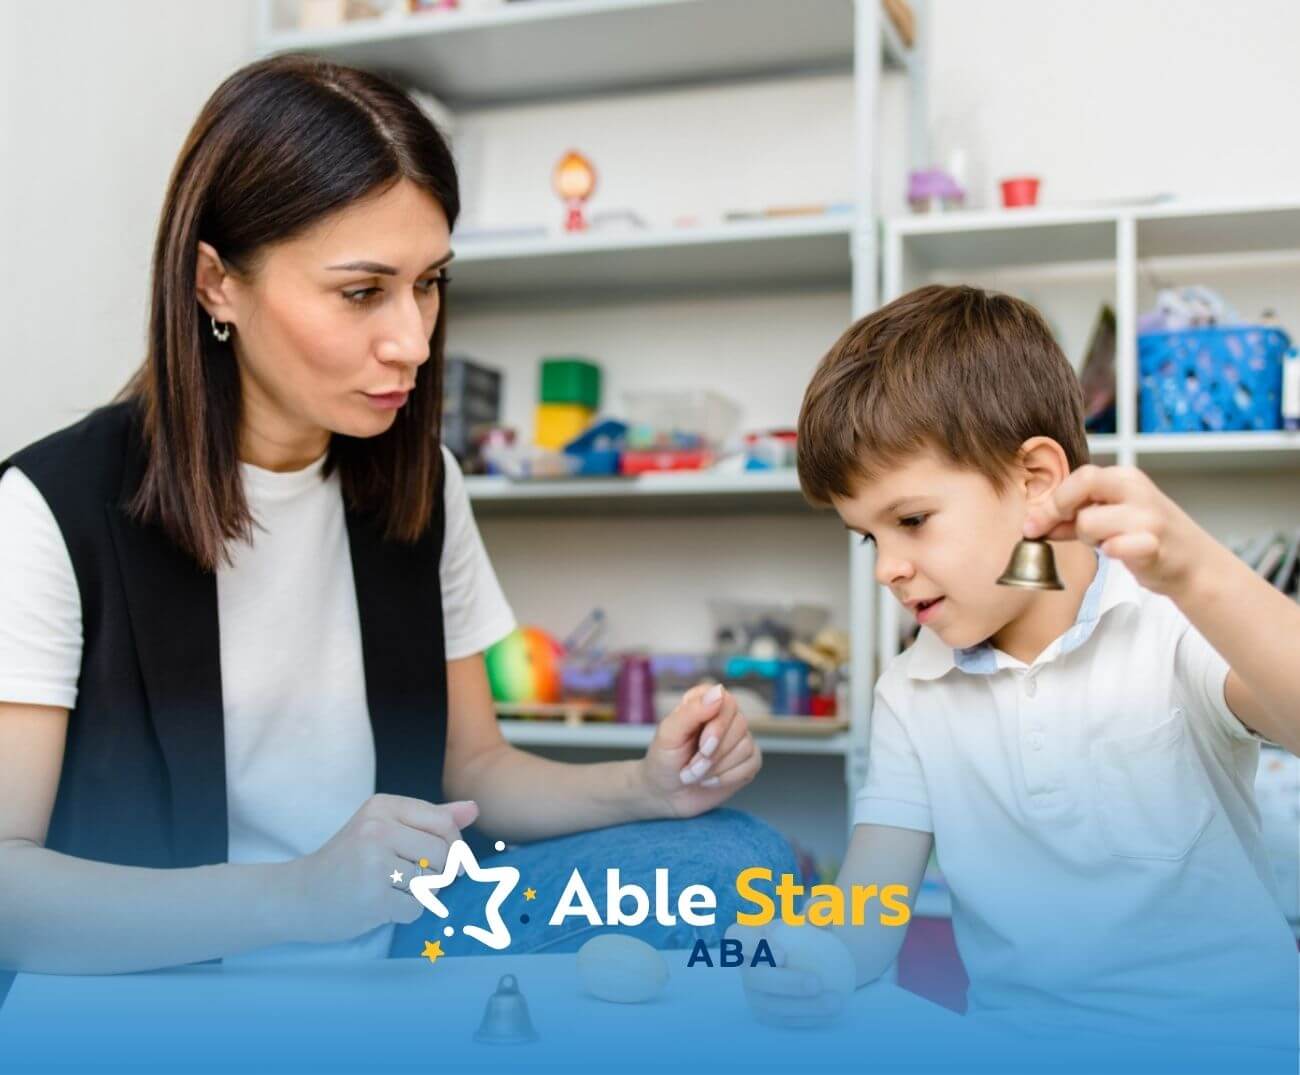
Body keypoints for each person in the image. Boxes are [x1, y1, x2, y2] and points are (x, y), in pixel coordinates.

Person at [0, 55, 793, 988]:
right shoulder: (48, 508)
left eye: (429, 282)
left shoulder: (421, 480)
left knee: (737, 860)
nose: (414, 342)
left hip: (413, 931)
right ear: (216, 282)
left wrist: (645, 786)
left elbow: (475, 769)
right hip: (180, 962)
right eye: (362, 291)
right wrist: (297, 896)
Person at [740, 284, 1300, 1054]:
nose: (888, 570)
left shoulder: (1169, 624)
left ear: (1036, 480)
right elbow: (865, 920)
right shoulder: (913, 688)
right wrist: (808, 959)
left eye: (909, 521)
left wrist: (1198, 574)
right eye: (869, 538)